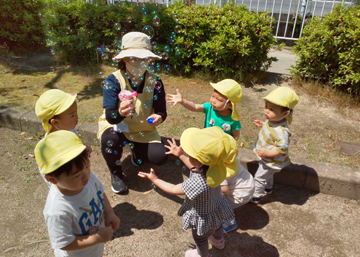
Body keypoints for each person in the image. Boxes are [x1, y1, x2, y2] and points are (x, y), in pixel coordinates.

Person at [138, 126, 237, 257]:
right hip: (217, 210)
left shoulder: (198, 182)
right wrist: (180, 154)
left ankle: (202, 255)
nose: (186, 154)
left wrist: (155, 179)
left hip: (203, 216)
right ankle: (219, 241)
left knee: (201, 239)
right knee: (217, 226)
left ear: (197, 159)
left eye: (189, 154)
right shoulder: (216, 167)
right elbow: (196, 166)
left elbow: (173, 189)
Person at [97, 31, 168, 195]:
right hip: (118, 128)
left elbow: (161, 111)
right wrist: (120, 113)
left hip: (143, 128)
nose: (140, 62)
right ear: (123, 59)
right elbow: (110, 117)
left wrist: (159, 117)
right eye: (134, 58)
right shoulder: (113, 80)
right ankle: (116, 174)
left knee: (160, 157)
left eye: (144, 58)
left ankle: (136, 149)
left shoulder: (155, 81)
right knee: (110, 140)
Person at [34, 130, 120, 257]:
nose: (86, 176)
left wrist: (110, 213)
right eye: (76, 176)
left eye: (87, 166)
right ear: (52, 179)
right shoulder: (57, 210)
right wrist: (97, 238)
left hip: (94, 250)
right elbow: (64, 243)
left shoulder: (88, 178)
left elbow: (99, 192)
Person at [35, 89, 92, 189]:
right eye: (72, 115)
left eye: (76, 112)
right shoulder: (51, 149)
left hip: (77, 179)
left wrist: (82, 149)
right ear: (56, 123)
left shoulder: (69, 130)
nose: (77, 117)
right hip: (67, 188)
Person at [251, 87, 299, 203]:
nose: (266, 110)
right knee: (268, 174)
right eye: (266, 106)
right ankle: (268, 188)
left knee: (259, 177)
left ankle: (256, 196)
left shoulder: (282, 132)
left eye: (271, 109)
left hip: (271, 159)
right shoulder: (273, 121)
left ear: (285, 113)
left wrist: (267, 153)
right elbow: (270, 128)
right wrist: (263, 124)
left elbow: (282, 150)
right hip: (267, 159)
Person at [167, 79, 242, 140]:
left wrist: (227, 144)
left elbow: (236, 136)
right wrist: (183, 101)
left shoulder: (233, 119)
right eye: (212, 96)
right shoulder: (209, 107)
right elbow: (195, 107)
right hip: (206, 141)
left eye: (219, 99)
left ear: (229, 105)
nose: (213, 101)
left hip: (221, 149)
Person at [220, 160, 255, 233]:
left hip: (239, 195)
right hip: (248, 184)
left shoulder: (218, 170)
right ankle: (231, 207)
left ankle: (230, 223)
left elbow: (224, 189)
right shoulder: (230, 158)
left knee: (219, 205)